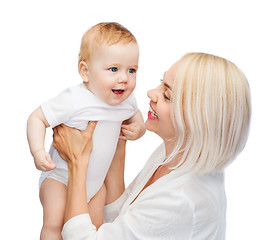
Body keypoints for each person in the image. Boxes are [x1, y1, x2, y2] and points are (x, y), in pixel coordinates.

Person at [52, 52, 251, 239]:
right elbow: (121, 218)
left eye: (167, 95)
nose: (151, 93)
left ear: (198, 120)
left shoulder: (182, 199)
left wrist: (77, 162)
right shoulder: (175, 153)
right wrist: (118, 146)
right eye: (161, 83)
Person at [26, 22, 145, 239]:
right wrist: (37, 151)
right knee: (54, 224)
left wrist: (139, 131)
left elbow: (137, 120)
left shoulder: (127, 101)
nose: (124, 78)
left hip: (96, 185)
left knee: (94, 228)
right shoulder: (74, 100)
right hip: (60, 178)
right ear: (85, 72)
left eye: (132, 70)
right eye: (113, 69)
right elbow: (37, 117)